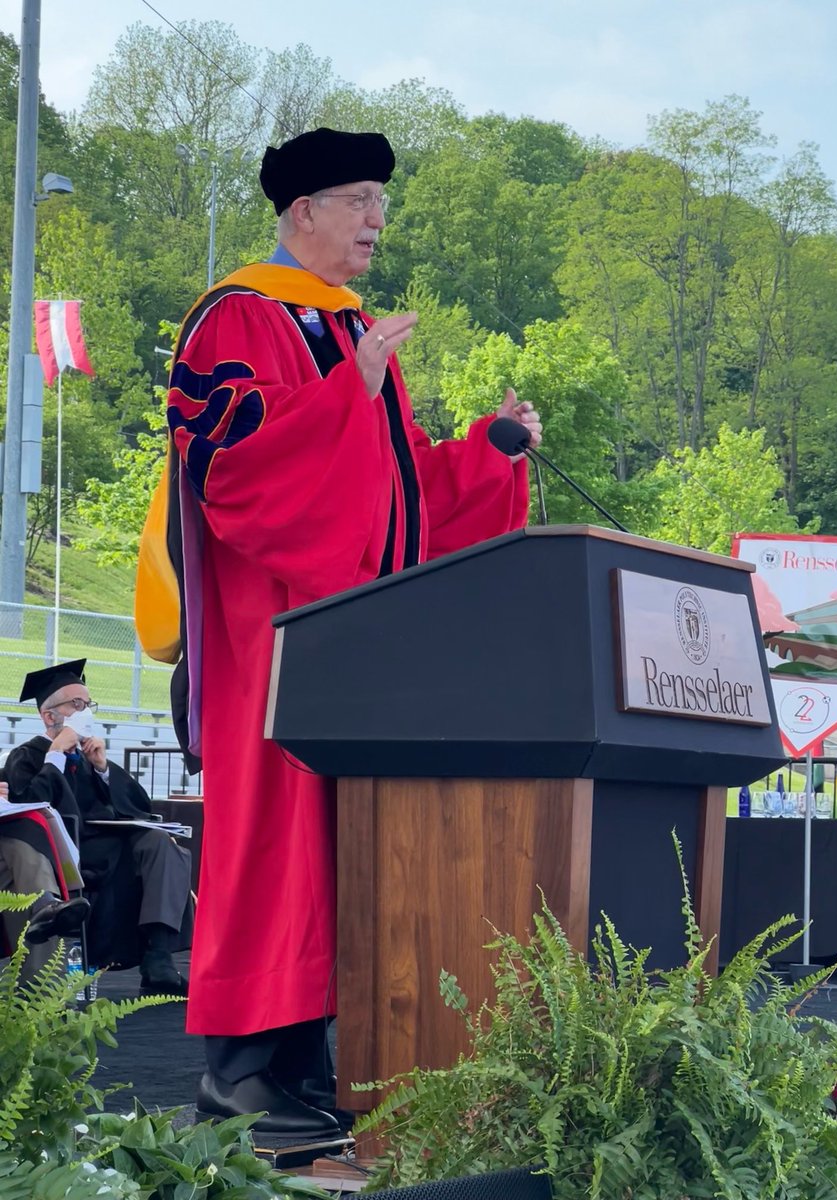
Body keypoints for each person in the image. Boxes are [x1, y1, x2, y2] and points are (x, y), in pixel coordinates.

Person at [160, 126, 542, 1139]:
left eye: (380, 199)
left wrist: (492, 451)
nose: (378, 218)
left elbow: (404, 490)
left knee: (337, 850)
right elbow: (232, 471)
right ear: (302, 213)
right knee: (270, 843)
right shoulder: (236, 318)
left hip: (349, 641)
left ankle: (300, 1069)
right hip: (267, 637)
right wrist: (348, 395)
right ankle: (235, 1082)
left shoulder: (352, 332)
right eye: (359, 197)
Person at [3, 660, 193, 994]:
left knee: (160, 844)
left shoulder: (91, 759)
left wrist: (104, 769)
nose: (84, 711)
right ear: (49, 716)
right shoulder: (27, 756)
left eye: (87, 704)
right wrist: (56, 755)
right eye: (75, 704)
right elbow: (28, 807)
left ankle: (158, 959)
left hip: (110, 848)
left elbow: (137, 808)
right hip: (63, 852)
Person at [0, 778, 90, 981]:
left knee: (20, 886)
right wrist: (54, 757)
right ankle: (41, 999)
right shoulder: (29, 755)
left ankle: (37, 998)